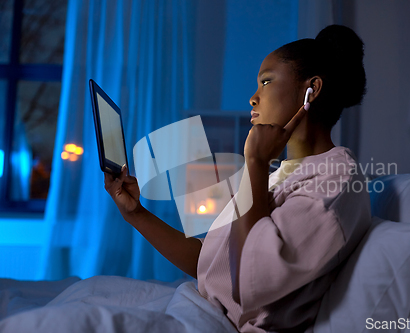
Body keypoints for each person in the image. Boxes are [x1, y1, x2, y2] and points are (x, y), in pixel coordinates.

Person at [105, 24, 371, 333]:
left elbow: (253, 279)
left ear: (310, 89)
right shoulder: (279, 176)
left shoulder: (335, 181)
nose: (253, 98)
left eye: (266, 82)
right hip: (204, 307)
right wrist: (135, 214)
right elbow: (212, 265)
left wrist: (256, 162)